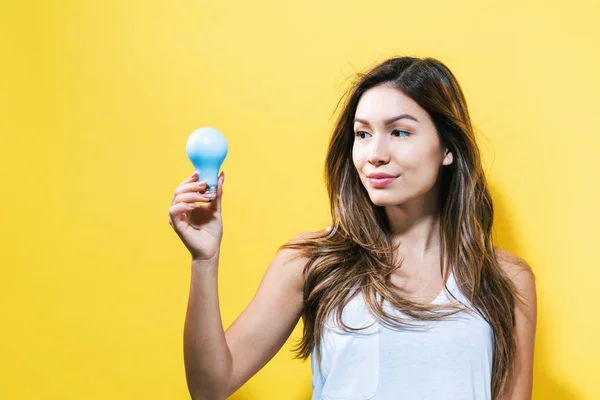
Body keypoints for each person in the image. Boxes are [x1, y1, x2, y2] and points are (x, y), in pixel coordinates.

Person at [168, 56, 537, 400]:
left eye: (400, 132)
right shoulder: (313, 262)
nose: (375, 153)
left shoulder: (506, 279)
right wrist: (204, 260)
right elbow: (210, 387)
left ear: (447, 149)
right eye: (362, 134)